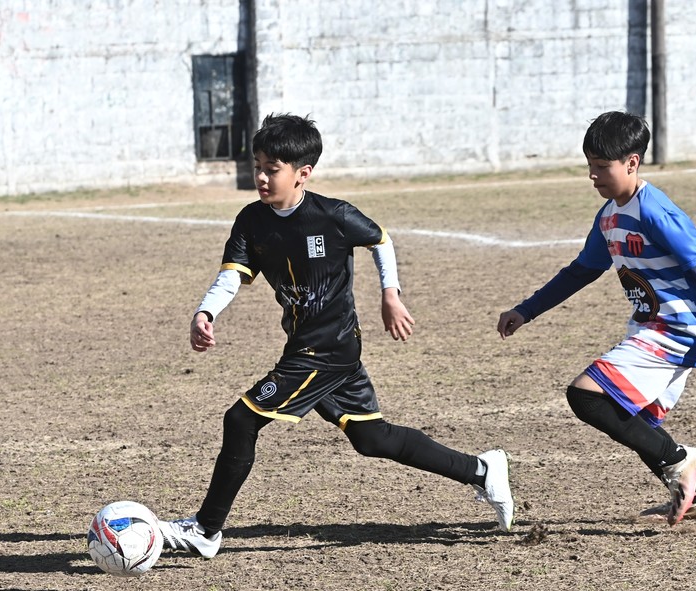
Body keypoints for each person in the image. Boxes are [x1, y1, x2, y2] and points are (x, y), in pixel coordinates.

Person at [160, 113, 514, 558]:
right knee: (373, 439)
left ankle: (206, 530)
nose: (262, 177)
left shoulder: (334, 215)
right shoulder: (252, 220)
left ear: (302, 173)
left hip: (325, 351)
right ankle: (482, 470)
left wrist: (390, 294)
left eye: (273, 169)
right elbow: (233, 275)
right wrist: (205, 310)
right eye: (258, 166)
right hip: (308, 346)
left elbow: (380, 239)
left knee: (241, 419)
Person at [496, 111, 696, 527]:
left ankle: (681, 462)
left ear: (632, 163)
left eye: (602, 167)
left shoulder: (655, 211)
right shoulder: (609, 216)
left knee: (587, 396)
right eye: (589, 166)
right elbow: (582, 270)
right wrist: (526, 310)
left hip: (680, 326)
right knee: (635, 420)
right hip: (651, 324)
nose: (593, 175)